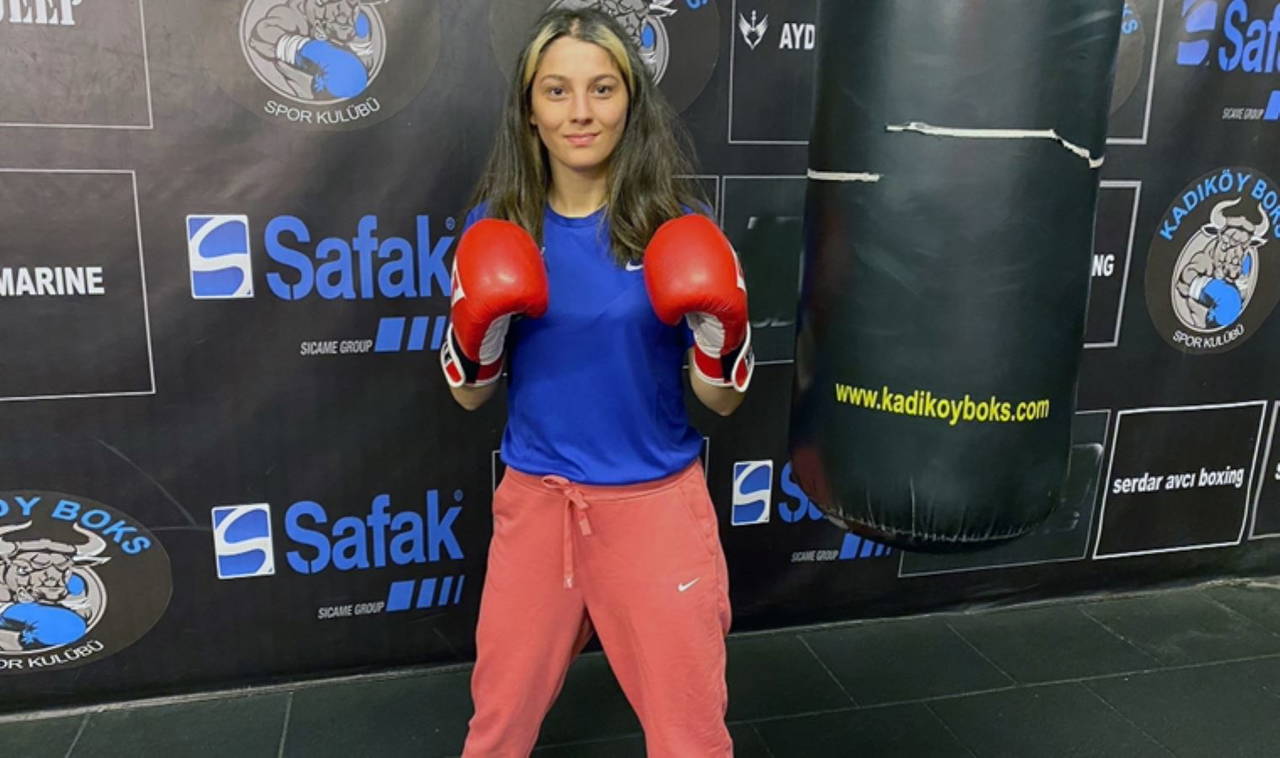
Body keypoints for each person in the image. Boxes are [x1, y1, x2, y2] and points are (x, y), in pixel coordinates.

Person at [440, 8, 753, 757]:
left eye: (602, 88)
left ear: (629, 102)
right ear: (530, 110)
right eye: (557, 91)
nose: (580, 112)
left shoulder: (678, 227)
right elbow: (468, 394)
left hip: (653, 506)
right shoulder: (496, 229)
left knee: (688, 735)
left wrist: (720, 336)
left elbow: (722, 400)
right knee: (497, 726)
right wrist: (480, 332)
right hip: (537, 505)